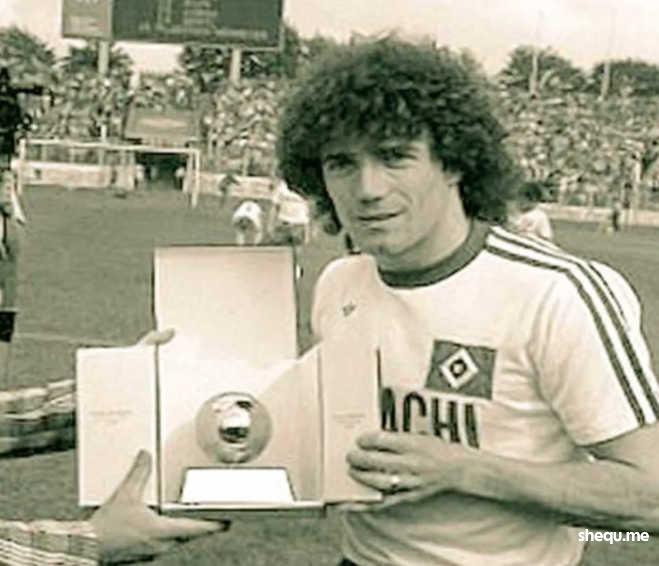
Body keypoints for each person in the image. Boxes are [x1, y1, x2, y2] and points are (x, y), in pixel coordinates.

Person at [276, 37, 659, 565]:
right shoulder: (340, 284)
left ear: (453, 163)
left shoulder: (557, 293)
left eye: (394, 156)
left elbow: (650, 496)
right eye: (341, 163)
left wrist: (463, 469)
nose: (367, 188)